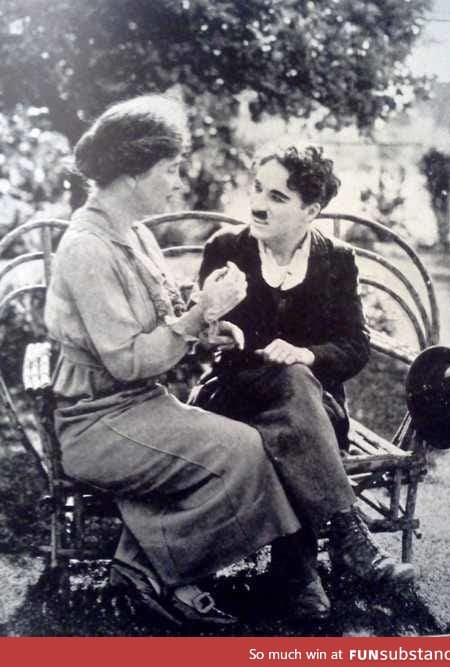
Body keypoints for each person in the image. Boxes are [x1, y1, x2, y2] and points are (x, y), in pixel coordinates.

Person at [44, 95, 326, 627]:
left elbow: (164, 325)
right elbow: (130, 360)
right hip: (96, 422)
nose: (177, 182)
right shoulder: (87, 248)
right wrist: (198, 315)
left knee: (245, 447)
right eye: (168, 169)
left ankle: (141, 564)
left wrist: (208, 325)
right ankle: (159, 572)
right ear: (131, 173)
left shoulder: (134, 234)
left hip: (136, 406)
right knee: (241, 452)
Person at [190, 144, 415, 613]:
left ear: (311, 210)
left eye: (276, 196)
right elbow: (201, 334)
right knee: (299, 410)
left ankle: (299, 577)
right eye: (256, 189)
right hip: (233, 398)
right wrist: (218, 334)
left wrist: (306, 354)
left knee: (296, 388)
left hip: (311, 406)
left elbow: (354, 347)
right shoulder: (226, 248)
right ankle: (339, 542)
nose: (257, 204)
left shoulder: (336, 260)